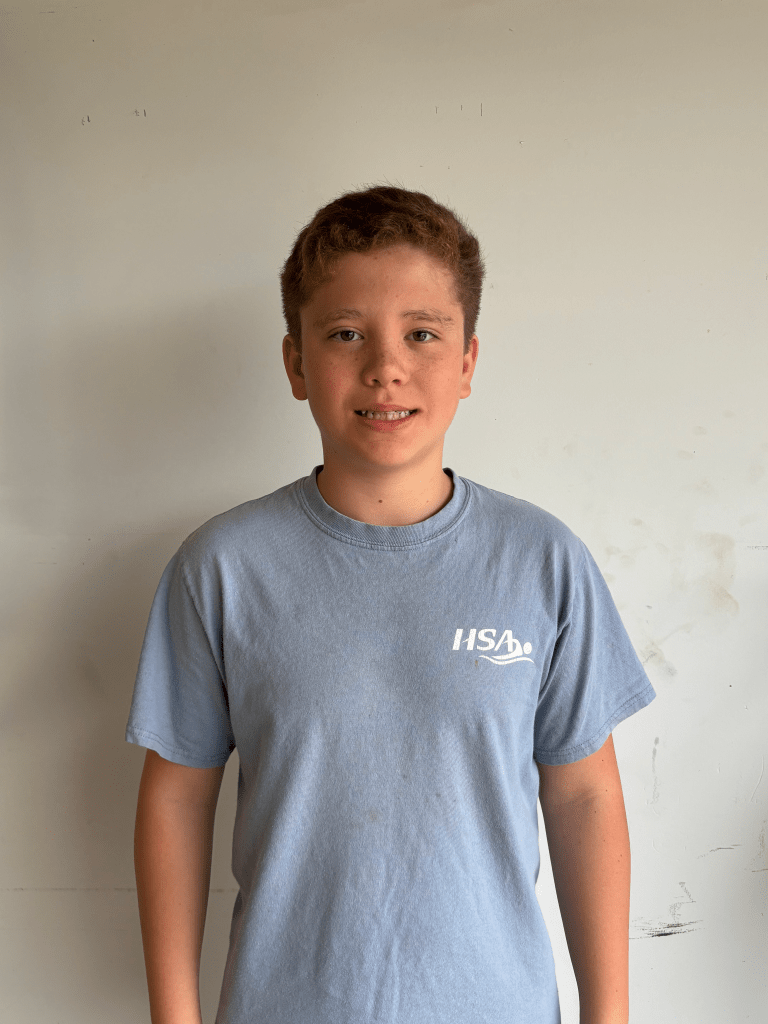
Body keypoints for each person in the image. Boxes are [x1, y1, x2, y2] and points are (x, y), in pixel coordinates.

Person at [128, 186, 655, 1024]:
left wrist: (610, 1016)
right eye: (346, 333)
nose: (386, 367)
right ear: (296, 363)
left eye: (422, 333)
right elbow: (177, 797)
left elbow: (585, 797)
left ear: (468, 363)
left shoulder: (543, 562)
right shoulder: (223, 567)